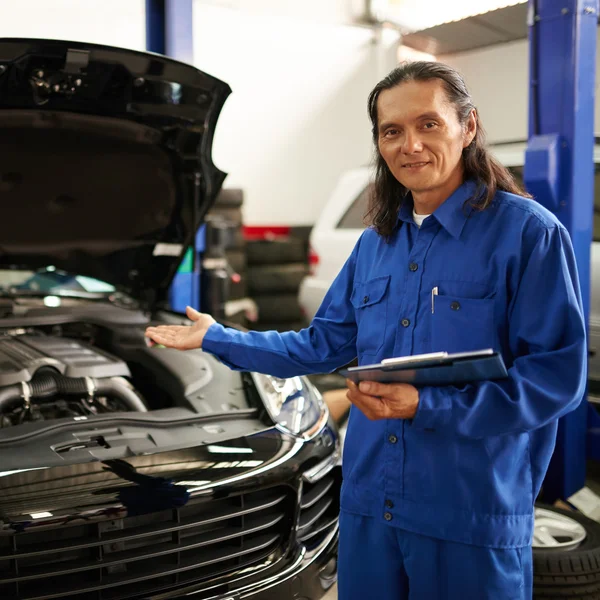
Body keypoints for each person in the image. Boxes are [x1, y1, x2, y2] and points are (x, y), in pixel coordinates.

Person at [145, 61, 587, 600]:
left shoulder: (528, 234)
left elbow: (554, 379)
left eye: (429, 124)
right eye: (391, 131)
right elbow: (321, 344)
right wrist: (217, 337)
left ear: (467, 127)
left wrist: (423, 405)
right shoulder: (375, 244)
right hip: (371, 506)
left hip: (467, 514)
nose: (410, 146)